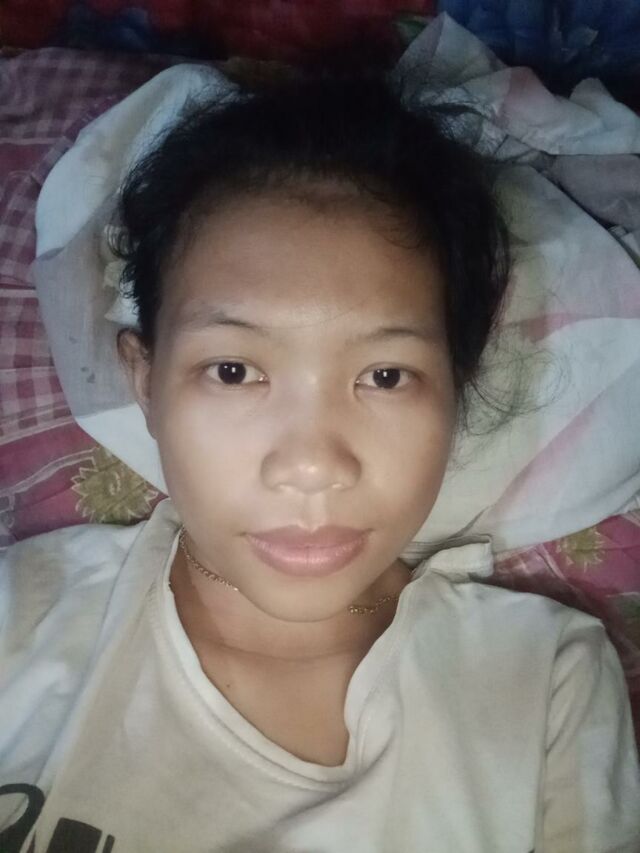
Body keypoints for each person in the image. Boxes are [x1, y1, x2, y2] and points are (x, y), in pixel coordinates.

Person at [1, 68, 639, 853]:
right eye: (234, 370)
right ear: (145, 382)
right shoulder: (17, 622)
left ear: (456, 389)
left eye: (385, 376)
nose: (312, 465)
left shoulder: (544, 689)